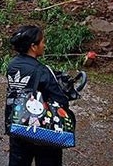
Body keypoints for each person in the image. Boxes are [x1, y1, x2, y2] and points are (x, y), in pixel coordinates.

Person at [5, 25, 69, 166]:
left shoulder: (12, 65)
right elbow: (61, 100)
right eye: (42, 42)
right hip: (40, 130)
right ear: (33, 46)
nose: (44, 45)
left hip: (17, 125)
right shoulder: (42, 71)